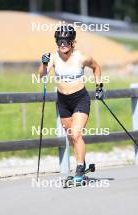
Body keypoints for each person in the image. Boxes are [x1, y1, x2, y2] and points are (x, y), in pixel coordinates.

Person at [38, 25, 104, 183]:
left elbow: (96, 67)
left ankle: (80, 167)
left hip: (80, 98)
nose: (63, 45)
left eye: (66, 41)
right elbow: (41, 76)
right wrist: (44, 63)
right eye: (60, 41)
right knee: (71, 137)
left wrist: (99, 86)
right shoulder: (53, 57)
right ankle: (83, 163)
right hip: (63, 101)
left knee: (76, 134)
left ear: (73, 42)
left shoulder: (82, 57)